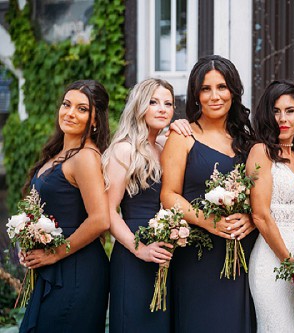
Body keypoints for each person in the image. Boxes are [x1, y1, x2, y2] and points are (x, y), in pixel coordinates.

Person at [161, 55, 258, 333]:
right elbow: (168, 195)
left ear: (233, 91)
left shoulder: (248, 141)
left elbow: (260, 194)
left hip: (242, 254)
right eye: (206, 89)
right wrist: (209, 221)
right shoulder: (182, 136)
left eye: (222, 87)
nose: (215, 96)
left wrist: (251, 218)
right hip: (198, 256)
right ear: (196, 94)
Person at [19, 80, 110, 332]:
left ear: (95, 120)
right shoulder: (59, 152)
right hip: (55, 267)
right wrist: (29, 242)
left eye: (82, 109)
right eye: (66, 104)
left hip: (76, 270)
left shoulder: (85, 158)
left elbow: (100, 219)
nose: (70, 112)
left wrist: (56, 253)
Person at [246, 80, 294, 332]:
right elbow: (260, 216)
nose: (283, 118)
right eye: (276, 111)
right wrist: (292, 267)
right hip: (273, 262)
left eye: (290, 111)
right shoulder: (261, 152)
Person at [102, 78, 175, 332]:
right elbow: (109, 212)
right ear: (139, 106)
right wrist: (140, 249)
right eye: (154, 102)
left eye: (169, 103)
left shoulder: (167, 147)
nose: (162, 108)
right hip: (133, 256)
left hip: (166, 256)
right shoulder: (123, 150)